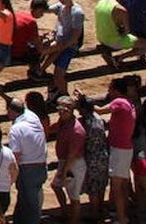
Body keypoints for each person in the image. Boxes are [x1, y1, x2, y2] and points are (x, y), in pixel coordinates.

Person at [80, 78, 135, 224]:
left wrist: (83, 97)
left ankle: (122, 218)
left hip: (119, 149)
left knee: (117, 187)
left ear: (116, 90)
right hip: (126, 148)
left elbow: (98, 110)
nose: (109, 91)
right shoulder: (129, 103)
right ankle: (123, 215)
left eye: (110, 88)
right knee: (122, 185)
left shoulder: (119, 102)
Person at [37, 0, 85, 98]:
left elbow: (75, 37)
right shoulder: (60, 7)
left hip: (70, 46)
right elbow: (43, 8)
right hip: (60, 42)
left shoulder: (77, 12)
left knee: (58, 75)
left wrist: (59, 47)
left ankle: (65, 97)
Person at [7, 97, 47, 224]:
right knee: (27, 201)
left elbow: (16, 155)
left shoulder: (16, 128)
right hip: (41, 166)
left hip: (27, 169)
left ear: (10, 111)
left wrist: (11, 174)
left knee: (30, 205)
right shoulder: (32, 116)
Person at [51, 96, 86, 224]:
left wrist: (65, 172)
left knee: (74, 197)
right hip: (65, 162)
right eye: (59, 108)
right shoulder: (63, 122)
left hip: (73, 164)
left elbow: (72, 155)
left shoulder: (76, 130)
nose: (60, 111)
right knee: (56, 186)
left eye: (64, 109)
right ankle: (65, 214)